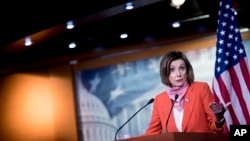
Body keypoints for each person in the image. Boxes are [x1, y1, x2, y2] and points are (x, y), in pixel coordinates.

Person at [145, 50, 230, 135]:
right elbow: (151, 134)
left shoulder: (201, 89)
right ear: (165, 73)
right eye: (172, 70)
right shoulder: (160, 100)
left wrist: (218, 119)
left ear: (187, 71)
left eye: (182, 68)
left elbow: (215, 127)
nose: (178, 74)